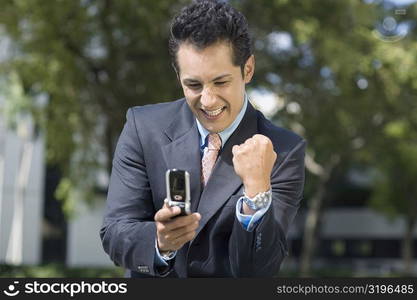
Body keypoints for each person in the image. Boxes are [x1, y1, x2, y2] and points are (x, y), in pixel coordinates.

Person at [100, 0, 305, 278]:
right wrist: (160, 242)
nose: (207, 101)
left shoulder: (284, 150)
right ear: (178, 75)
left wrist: (257, 190)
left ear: (248, 69)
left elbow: (258, 271)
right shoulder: (142, 127)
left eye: (220, 82)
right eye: (193, 85)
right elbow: (114, 233)